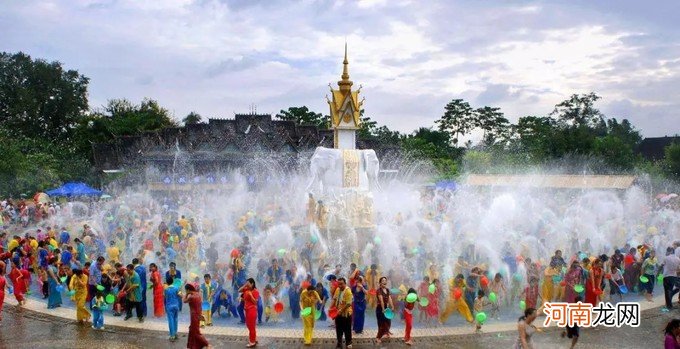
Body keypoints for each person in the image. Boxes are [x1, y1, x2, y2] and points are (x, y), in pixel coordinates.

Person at [185, 283, 211, 349]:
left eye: (186, 290)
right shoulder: (198, 295)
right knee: (191, 330)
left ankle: (207, 344)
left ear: (188, 290)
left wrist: (187, 294)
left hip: (194, 316)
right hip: (198, 315)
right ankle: (191, 346)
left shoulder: (191, 297)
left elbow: (184, 301)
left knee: (196, 332)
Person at [332, 277, 353, 349]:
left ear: (345, 283)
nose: (340, 286)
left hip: (346, 314)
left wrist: (340, 310)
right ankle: (339, 342)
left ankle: (348, 342)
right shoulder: (337, 289)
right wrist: (331, 308)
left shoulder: (348, 291)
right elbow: (334, 299)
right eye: (339, 284)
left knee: (347, 329)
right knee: (338, 329)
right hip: (338, 313)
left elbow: (348, 303)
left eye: (341, 284)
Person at [241, 278, 260, 348]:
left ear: (252, 284)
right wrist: (244, 286)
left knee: (251, 326)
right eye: (246, 283)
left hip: (252, 310)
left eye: (248, 283)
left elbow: (255, 302)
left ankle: (252, 342)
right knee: (249, 326)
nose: (247, 285)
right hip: (247, 310)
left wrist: (250, 295)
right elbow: (239, 290)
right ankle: (254, 339)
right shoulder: (246, 289)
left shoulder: (256, 291)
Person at [375, 276, 394, 344]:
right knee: (382, 324)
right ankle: (378, 337)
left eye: (385, 280)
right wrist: (383, 309)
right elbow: (381, 300)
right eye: (383, 280)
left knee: (388, 321)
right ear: (380, 283)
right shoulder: (379, 290)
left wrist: (392, 306)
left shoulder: (387, 290)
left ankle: (386, 333)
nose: (384, 282)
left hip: (386, 307)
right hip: (380, 308)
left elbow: (389, 298)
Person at [164, 275, 181, 342]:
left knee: (171, 320)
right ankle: (176, 333)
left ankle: (172, 335)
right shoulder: (176, 288)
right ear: (173, 281)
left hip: (169, 306)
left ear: (167, 283)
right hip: (176, 306)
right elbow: (180, 295)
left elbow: (165, 297)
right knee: (176, 319)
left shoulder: (166, 290)